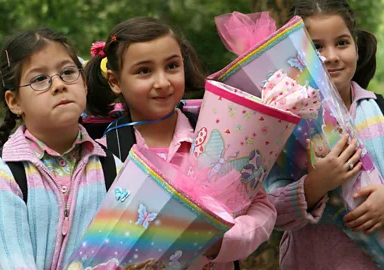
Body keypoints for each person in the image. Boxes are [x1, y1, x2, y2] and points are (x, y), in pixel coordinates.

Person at [85, 17, 277, 269]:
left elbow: (261, 207)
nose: (163, 82)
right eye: (144, 71)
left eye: (172, 66)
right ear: (114, 81)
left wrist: (221, 241)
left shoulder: (217, 132)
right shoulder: (103, 154)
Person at [265, 0, 384, 268]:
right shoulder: (283, 127)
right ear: (295, 57)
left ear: (356, 47)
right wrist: (313, 186)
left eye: (342, 43)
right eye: (316, 46)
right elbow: (269, 209)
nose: (331, 56)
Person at [0, 28, 123, 269]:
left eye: (67, 72)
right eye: (39, 79)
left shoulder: (111, 168)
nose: (58, 84)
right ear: (14, 102)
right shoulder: (6, 174)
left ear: (84, 84)